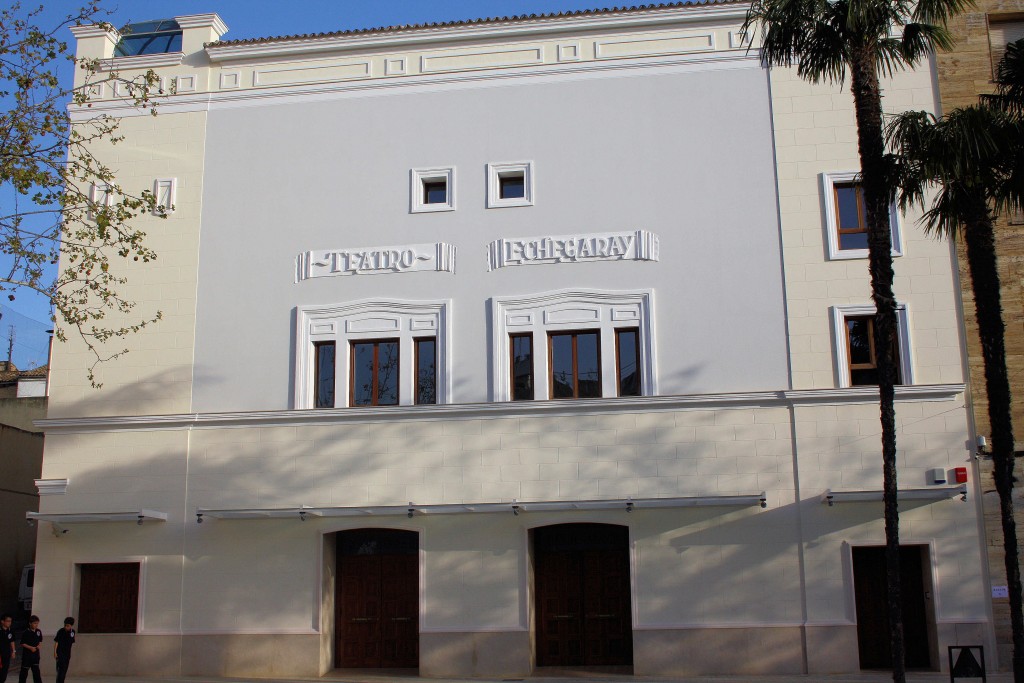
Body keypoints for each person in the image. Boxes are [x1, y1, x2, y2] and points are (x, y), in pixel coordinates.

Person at [18, 616, 41, 683]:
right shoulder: (26, 632)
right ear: (30, 623)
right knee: (24, 673)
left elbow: (40, 641)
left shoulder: (38, 631)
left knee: (36, 673)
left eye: (37, 623)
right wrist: (30, 648)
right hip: (27, 656)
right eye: (34, 623)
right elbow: (22, 643)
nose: (36, 625)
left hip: (35, 656)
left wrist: (39, 646)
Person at [52, 618, 74, 683]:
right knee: (60, 672)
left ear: (71, 626)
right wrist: (55, 652)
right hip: (60, 653)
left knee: (64, 671)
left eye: (68, 626)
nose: (66, 627)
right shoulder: (61, 631)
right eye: (65, 625)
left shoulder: (72, 632)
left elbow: (71, 642)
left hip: (67, 654)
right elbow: (56, 642)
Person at [0, 614, 14, 683]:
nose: (9, 623)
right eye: (8, 621)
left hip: (7, 653)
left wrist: (13, 651)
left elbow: (12, 641)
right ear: (2, 621)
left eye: (10, 621)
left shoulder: (10, 631)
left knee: (5, 670)